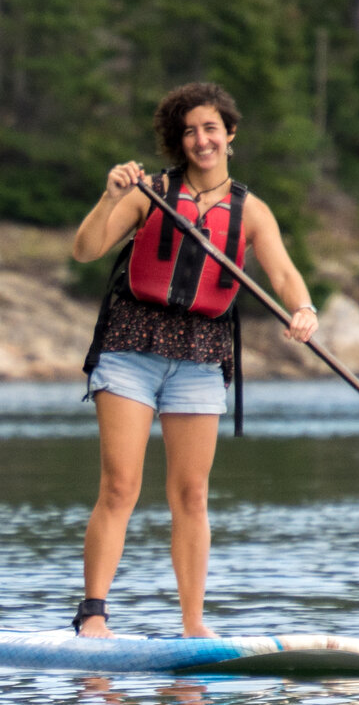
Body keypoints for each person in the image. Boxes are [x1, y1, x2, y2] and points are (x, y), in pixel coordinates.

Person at [67, 82, 320, 639]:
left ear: (230, 135)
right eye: (189, 131)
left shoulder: (250, 211)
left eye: (210, 129)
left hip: (201, 357)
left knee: (191, 494)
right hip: (131, 348)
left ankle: (192, 624)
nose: (201, 140)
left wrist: (302, 308)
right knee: (120, 486)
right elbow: (85, 250)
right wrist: (110, 196)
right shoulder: (148, 192)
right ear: (177, 142)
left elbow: (281, 273)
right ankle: (93, 614)